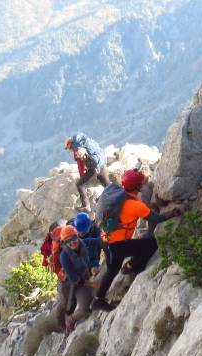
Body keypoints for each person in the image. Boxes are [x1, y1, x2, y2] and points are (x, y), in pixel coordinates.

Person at [91, 169, 184, 312]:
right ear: (137, 187)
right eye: (142, 183)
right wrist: (175, 211)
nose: (144, 185)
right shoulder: (135, 205)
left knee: (111, 271)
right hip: (118, 245)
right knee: (151, 244)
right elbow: (157, 219)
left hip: (106, 240)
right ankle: (132, 266)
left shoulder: (117, 192)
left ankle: (98, 300)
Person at [53, 226, 102, 332]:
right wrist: (92, 284)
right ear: (64, 243)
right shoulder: (64, 256)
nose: (72, 242)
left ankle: (71, 320)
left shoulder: (83, 242)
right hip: (67, 283)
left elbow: (100, 241)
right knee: (65, 304)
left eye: (74, 238)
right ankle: (60, 324)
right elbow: (74, 278)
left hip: (82, 281)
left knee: (84, 309)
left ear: (77, 236)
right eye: (68, 241)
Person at [65, 132, 110, 213]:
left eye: (69, 148)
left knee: (80, 185)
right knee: (108, 186)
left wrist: (82, 176)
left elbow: (80, 165)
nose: (70, 150)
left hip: (94, 169)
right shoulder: (87, 142)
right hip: (102, 164)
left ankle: (86, 206)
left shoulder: (78, 150)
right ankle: (115, 197)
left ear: (71, 145)